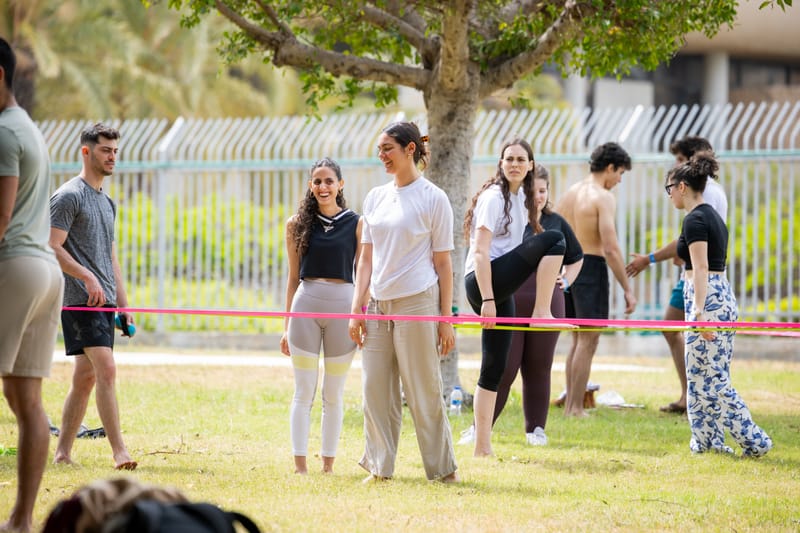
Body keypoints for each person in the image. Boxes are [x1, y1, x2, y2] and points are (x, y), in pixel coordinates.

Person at [348, 121, 458, 483]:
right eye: (379, 150)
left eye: (387, 149)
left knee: (423, 389)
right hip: (378, 306)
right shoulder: (375, 197)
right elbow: (366, 259)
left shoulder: (433, 198)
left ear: (410, 149)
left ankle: (443, 470)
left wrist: (445, 319)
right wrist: (357, 309)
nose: (381, 156)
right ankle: (380, 468)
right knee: (375, 390)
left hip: (417, 303)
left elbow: (444, 264)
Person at [463, 138, 570, 457]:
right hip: (483, 281)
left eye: (521, 159)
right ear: (500, 163)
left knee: (494, 368)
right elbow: (480, 253)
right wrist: (488, 300)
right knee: (555, 239)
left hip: (501, 286)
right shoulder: (494, 197)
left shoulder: (522, 199)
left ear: (530, 165)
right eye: (509, 159)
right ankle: (541, 312)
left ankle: (482, 447)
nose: (514, 164)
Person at [666, 152, 772, 457]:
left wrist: (699, 312)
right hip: (714, 295)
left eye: (670, 188)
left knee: (712, 380)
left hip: (707, 298)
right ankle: (706, 441)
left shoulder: (695, 219)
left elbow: (700, 267)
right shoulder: (711, 216)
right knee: (701, 377)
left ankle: (755, 441)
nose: (669, 195)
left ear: (682, 186)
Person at [0, 36, 65, 533]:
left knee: (25, 402)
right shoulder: (28, 128)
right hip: (45, 270)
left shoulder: (4, 133)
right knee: (27, 403)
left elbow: (1, 217)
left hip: (14, 267)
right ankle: (21, 521)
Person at [50, 122, 137, 470]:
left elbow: (110, 258)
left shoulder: (107, 202)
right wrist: (86, 276)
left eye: (115, 151)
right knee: (106, 370)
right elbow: (52, 246)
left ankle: (62, 453)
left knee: (84, 378)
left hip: (104, 302)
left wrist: (124, 305)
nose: (112, 157)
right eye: (105, 150)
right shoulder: (68, 196)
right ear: (86, 151)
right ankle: (119, 452)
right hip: (80, 301)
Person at [626, 136, 728, 414]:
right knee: (675, 330)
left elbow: (701, 256)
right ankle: (691, 397)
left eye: (680, 161)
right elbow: (693, 240)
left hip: (700, 282)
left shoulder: (704, 201)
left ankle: (697, 399)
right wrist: (682, 252)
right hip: (695, 279)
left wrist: (650, 259)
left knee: (707, 361)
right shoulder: (697, 208)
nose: (676, 167)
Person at [279, 157, 362, 475]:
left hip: (343, 309)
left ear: (340, 184)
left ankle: (328, 465)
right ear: (310, 186)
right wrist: (286, 326)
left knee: (333, 394)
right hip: (305, 309)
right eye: (317, 181)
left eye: (329, 181)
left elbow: (363, 275)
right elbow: (292, 278)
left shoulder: (357, 223)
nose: (323, 187)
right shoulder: (296, 224)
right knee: (304, 391)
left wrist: (360, 316)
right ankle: (300, 465)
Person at [493, 164, 583, 446]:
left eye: (543, 191)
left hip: (548, 304)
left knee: (539, 367)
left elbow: (577, 257)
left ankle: (536, 430)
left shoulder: (556, 222)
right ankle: (479, 428)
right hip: (511, 299)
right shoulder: (507, 219)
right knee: (504, 367)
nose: (538, 196)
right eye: (533, 191)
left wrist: (565, 281)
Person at [555, 142, 636, 417]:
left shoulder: (569, 193)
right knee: (588, 340)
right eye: (620, 173)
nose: (619, 180)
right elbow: (611, 248)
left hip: (568, 267)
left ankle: (571, 404)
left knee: (578, 340)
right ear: (610, 167)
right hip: (590, 267)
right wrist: (627, 288)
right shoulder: (603, 197)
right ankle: (575, 407)